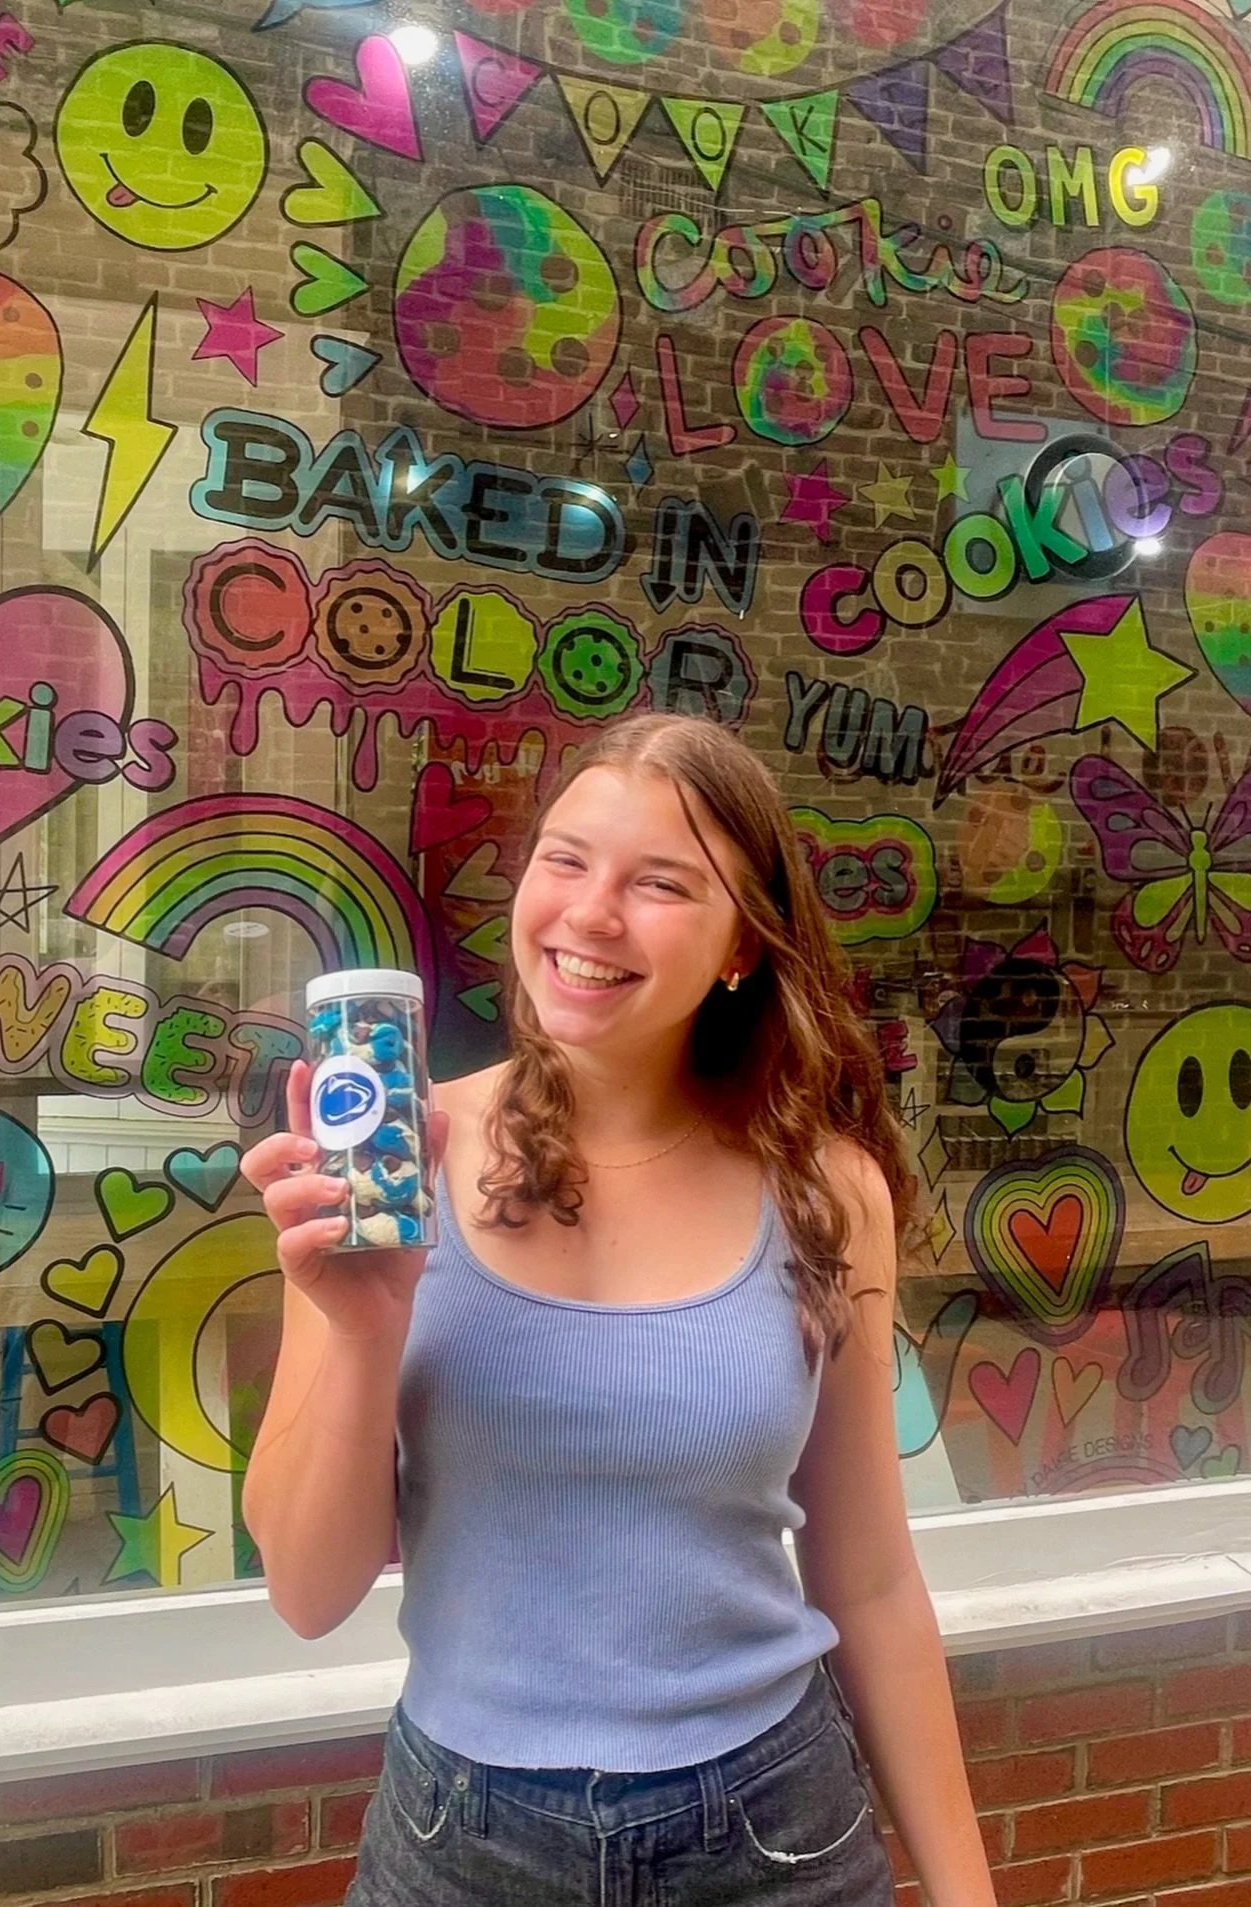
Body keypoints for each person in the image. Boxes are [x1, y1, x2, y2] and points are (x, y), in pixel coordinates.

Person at [241, 712, 997, 1907]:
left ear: (743, 942)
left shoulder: (825, 1188)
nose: (591, 914)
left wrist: (967, 1892)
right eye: (564, 857)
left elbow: (868, 1580)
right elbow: (307, 1591)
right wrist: (365, 1324)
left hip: (773, 1831)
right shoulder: (386, 1170)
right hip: (461, 1842)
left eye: (661, 883)